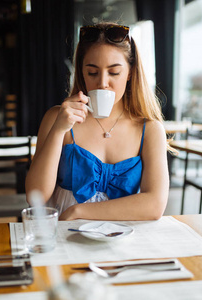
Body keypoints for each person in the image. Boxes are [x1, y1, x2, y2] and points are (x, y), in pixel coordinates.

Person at [25, 22, 170, 221]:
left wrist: (78, 211)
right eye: (92, 72)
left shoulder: (150, 130)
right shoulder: (58, 118)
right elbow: (36, 196)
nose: (102, 82)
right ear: (82, 73)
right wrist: (58, 130)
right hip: (65, 240)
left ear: (130, 73)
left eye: (114, 72)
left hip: (122, 242)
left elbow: (155, 205)